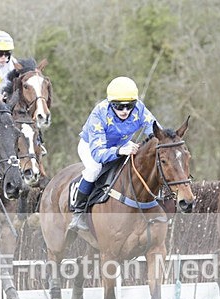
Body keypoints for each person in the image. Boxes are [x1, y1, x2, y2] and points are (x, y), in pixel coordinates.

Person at [68, 76, 158, 232]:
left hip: (121, 144)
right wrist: (119, 151)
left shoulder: (140, 109)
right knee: (94, 169)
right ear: (110, 104)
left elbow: (157, 132)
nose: (124, 111)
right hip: (92, 147)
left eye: (129, 106)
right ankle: (79, 213)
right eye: (118, 106)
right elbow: (98, 154)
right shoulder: (99, 114)